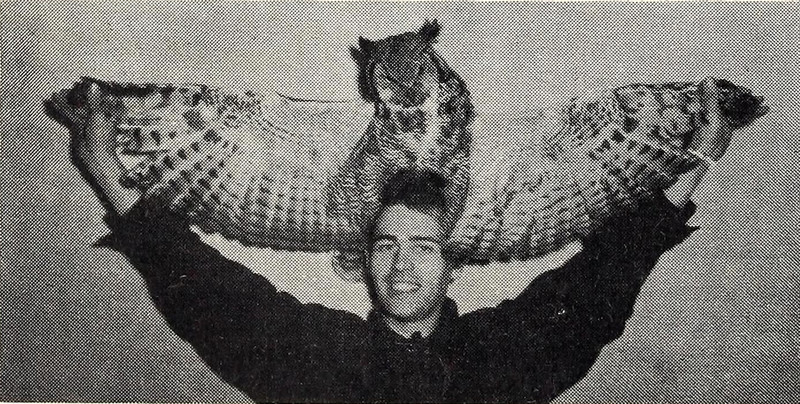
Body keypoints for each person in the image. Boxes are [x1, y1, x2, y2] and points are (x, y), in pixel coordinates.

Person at [72, 78, 733, 403]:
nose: (400, 265)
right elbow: (208, 294)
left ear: (454, 264)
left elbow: (603, 281)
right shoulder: (321, 357)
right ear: (363, 261)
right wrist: (104, 168)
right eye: (386, 245)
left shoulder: (502, 356)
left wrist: (699, 158)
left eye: (422, 246)